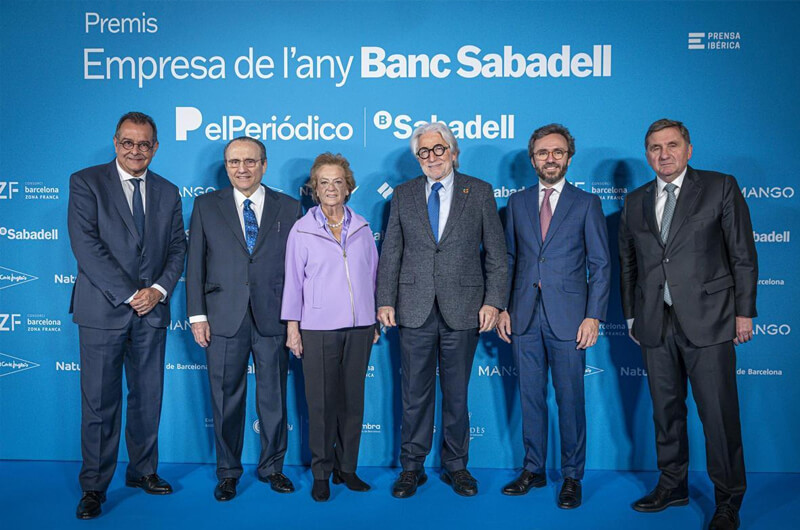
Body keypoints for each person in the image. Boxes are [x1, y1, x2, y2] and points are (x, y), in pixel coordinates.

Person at [619, 119, 757, 530]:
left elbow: (743, 255)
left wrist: (744, 312)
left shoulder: (720, 187)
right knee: (666, 413)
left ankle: (729, 500)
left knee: (718, 416)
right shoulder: (635, 200)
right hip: (654, 323)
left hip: (711, 321)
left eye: (672, 145)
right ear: (647, 154)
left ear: (689, 149)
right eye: (655, 147)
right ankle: (673, 484)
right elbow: (628, 265)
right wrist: (631, 314)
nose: (664, 153)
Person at [376, 122, 507, 498]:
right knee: (414, 393)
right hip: (413, 307)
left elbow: (497, 256)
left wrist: (493, 302)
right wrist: (385, 299)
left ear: (452, 152)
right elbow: (392, 253)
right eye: (423, 152)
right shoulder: (402, 195)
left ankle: (456, 466)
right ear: (416, 158)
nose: (431, 157)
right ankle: (411, 468)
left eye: (438, 149)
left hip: (464, 308)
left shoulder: (479, 192)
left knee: (457, 394)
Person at [68, 111, 186, 519]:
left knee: (147, 399)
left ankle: (143, 472)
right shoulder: (86, 182)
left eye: (144, 144)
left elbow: (177, 249)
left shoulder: (169, 192)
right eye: (128, 142)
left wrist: (156, 291)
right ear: (116, 142)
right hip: (103, 311)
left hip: (151, 313)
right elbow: (86, 247)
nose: (135, 150)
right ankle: (94, 488)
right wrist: (129, 293)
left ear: (156, 147)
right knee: (100, 404)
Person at [497, 124, 610, 509]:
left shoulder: (586, 204)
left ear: (568, 157)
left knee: (570, 400)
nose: (550, 158)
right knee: (530, 398)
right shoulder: (516, 203)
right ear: (532, 159)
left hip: (569, 319)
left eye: (557, 152)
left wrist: (593, 316)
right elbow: (510, 260)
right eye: (543, 153)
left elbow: (601, 264)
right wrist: (503, 308)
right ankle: (534, 469)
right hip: (524, 317)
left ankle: (572, 476)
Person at [186, 136, 301, 502]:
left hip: (274, 317)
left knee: (274, 398)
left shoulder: (290, 207)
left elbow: (300, 269)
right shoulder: (206, 206)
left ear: (264, 165)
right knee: (225, 399)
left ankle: (272, 467)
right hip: (223, 318)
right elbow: (195, 265)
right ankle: (228, 472)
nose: (242, 168)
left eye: (250, 161)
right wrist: (197, 315)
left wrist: (295, 318)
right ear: (226, 166)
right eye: (235, 162)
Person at [281, 153, 379, 502]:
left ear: (348, 186)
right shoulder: (302, 230)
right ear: (314, 189)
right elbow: (293, 283)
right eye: (324, 182)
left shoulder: (363, 228)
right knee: (321, 404)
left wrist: (374, 319)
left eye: (338, 181)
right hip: (318, 328)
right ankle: (321, 472)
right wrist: (293, 327)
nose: (331, 188)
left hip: (360, 328)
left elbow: (372, 276)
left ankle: (347, 468)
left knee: (353, 401)